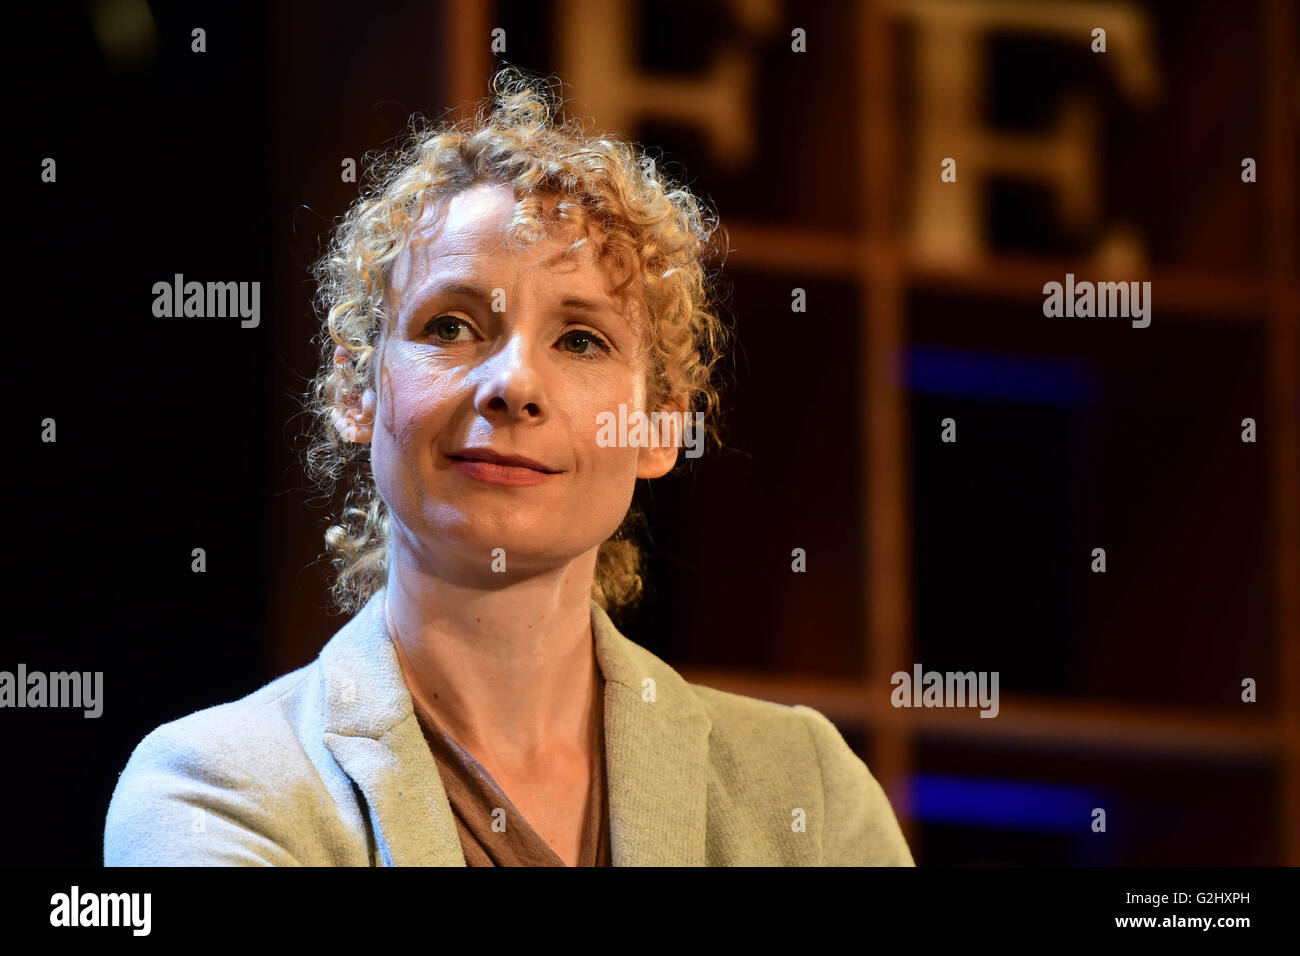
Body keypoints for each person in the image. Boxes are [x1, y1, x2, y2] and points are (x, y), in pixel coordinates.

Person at [103, 67, 914, 866]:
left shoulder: (808, 788)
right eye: (451, 327)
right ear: (357, 391)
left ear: (660, 426)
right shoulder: (216, 789)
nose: (515, 385)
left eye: (580, 340)